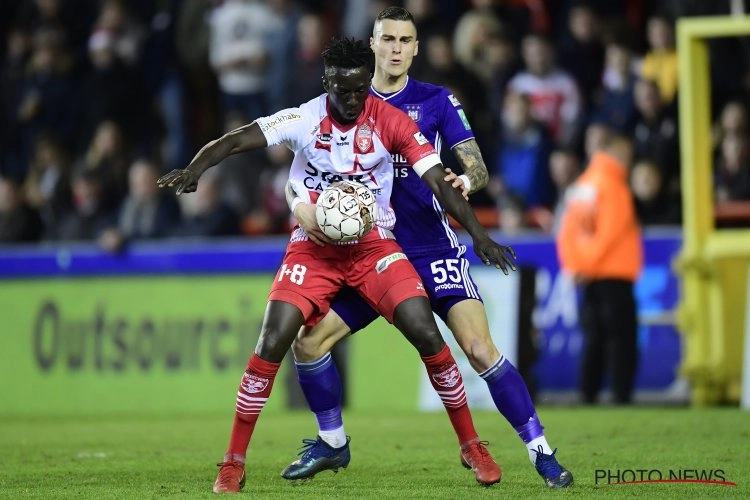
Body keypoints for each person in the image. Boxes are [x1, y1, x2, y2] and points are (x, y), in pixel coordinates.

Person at [156, 36, 518, 494]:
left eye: (358, 89)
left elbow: (438, 183)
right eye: (340, 90)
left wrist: (479, 234)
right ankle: (232, 461)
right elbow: (235, 140)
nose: (350, 100)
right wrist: (194, 169)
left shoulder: (392, 121)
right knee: (273, 339)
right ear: (326, 82)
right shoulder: (305, 118)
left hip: (374, 247)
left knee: (426, 331)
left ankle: (471, 444)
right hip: (313, 247)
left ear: (368, 81)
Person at [281, 7, 573, 489]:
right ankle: (332, 443)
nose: (396, 48)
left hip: (432, 247)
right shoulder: (342, 100)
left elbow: (474, 165)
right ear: (372, 45)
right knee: (309, 341)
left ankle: (541, 451)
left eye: (405, 40)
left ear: (416, 48)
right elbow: (302, 167)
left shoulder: (437, 101)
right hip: (370, 253)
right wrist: (299, 203)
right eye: (387, 39)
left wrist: (468, 181)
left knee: (479, 350)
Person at [556, 134, 643, 405]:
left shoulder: (581, 186)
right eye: (627, 154)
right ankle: (621, 396)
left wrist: (578, 267)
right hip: (613, 273)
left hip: (587, 277)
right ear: (615, 152)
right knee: (621, 340)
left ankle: (588, 395)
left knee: (594, 339)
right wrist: (591, 265)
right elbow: (611, 233)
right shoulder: (615, 186)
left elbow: (566, 234)